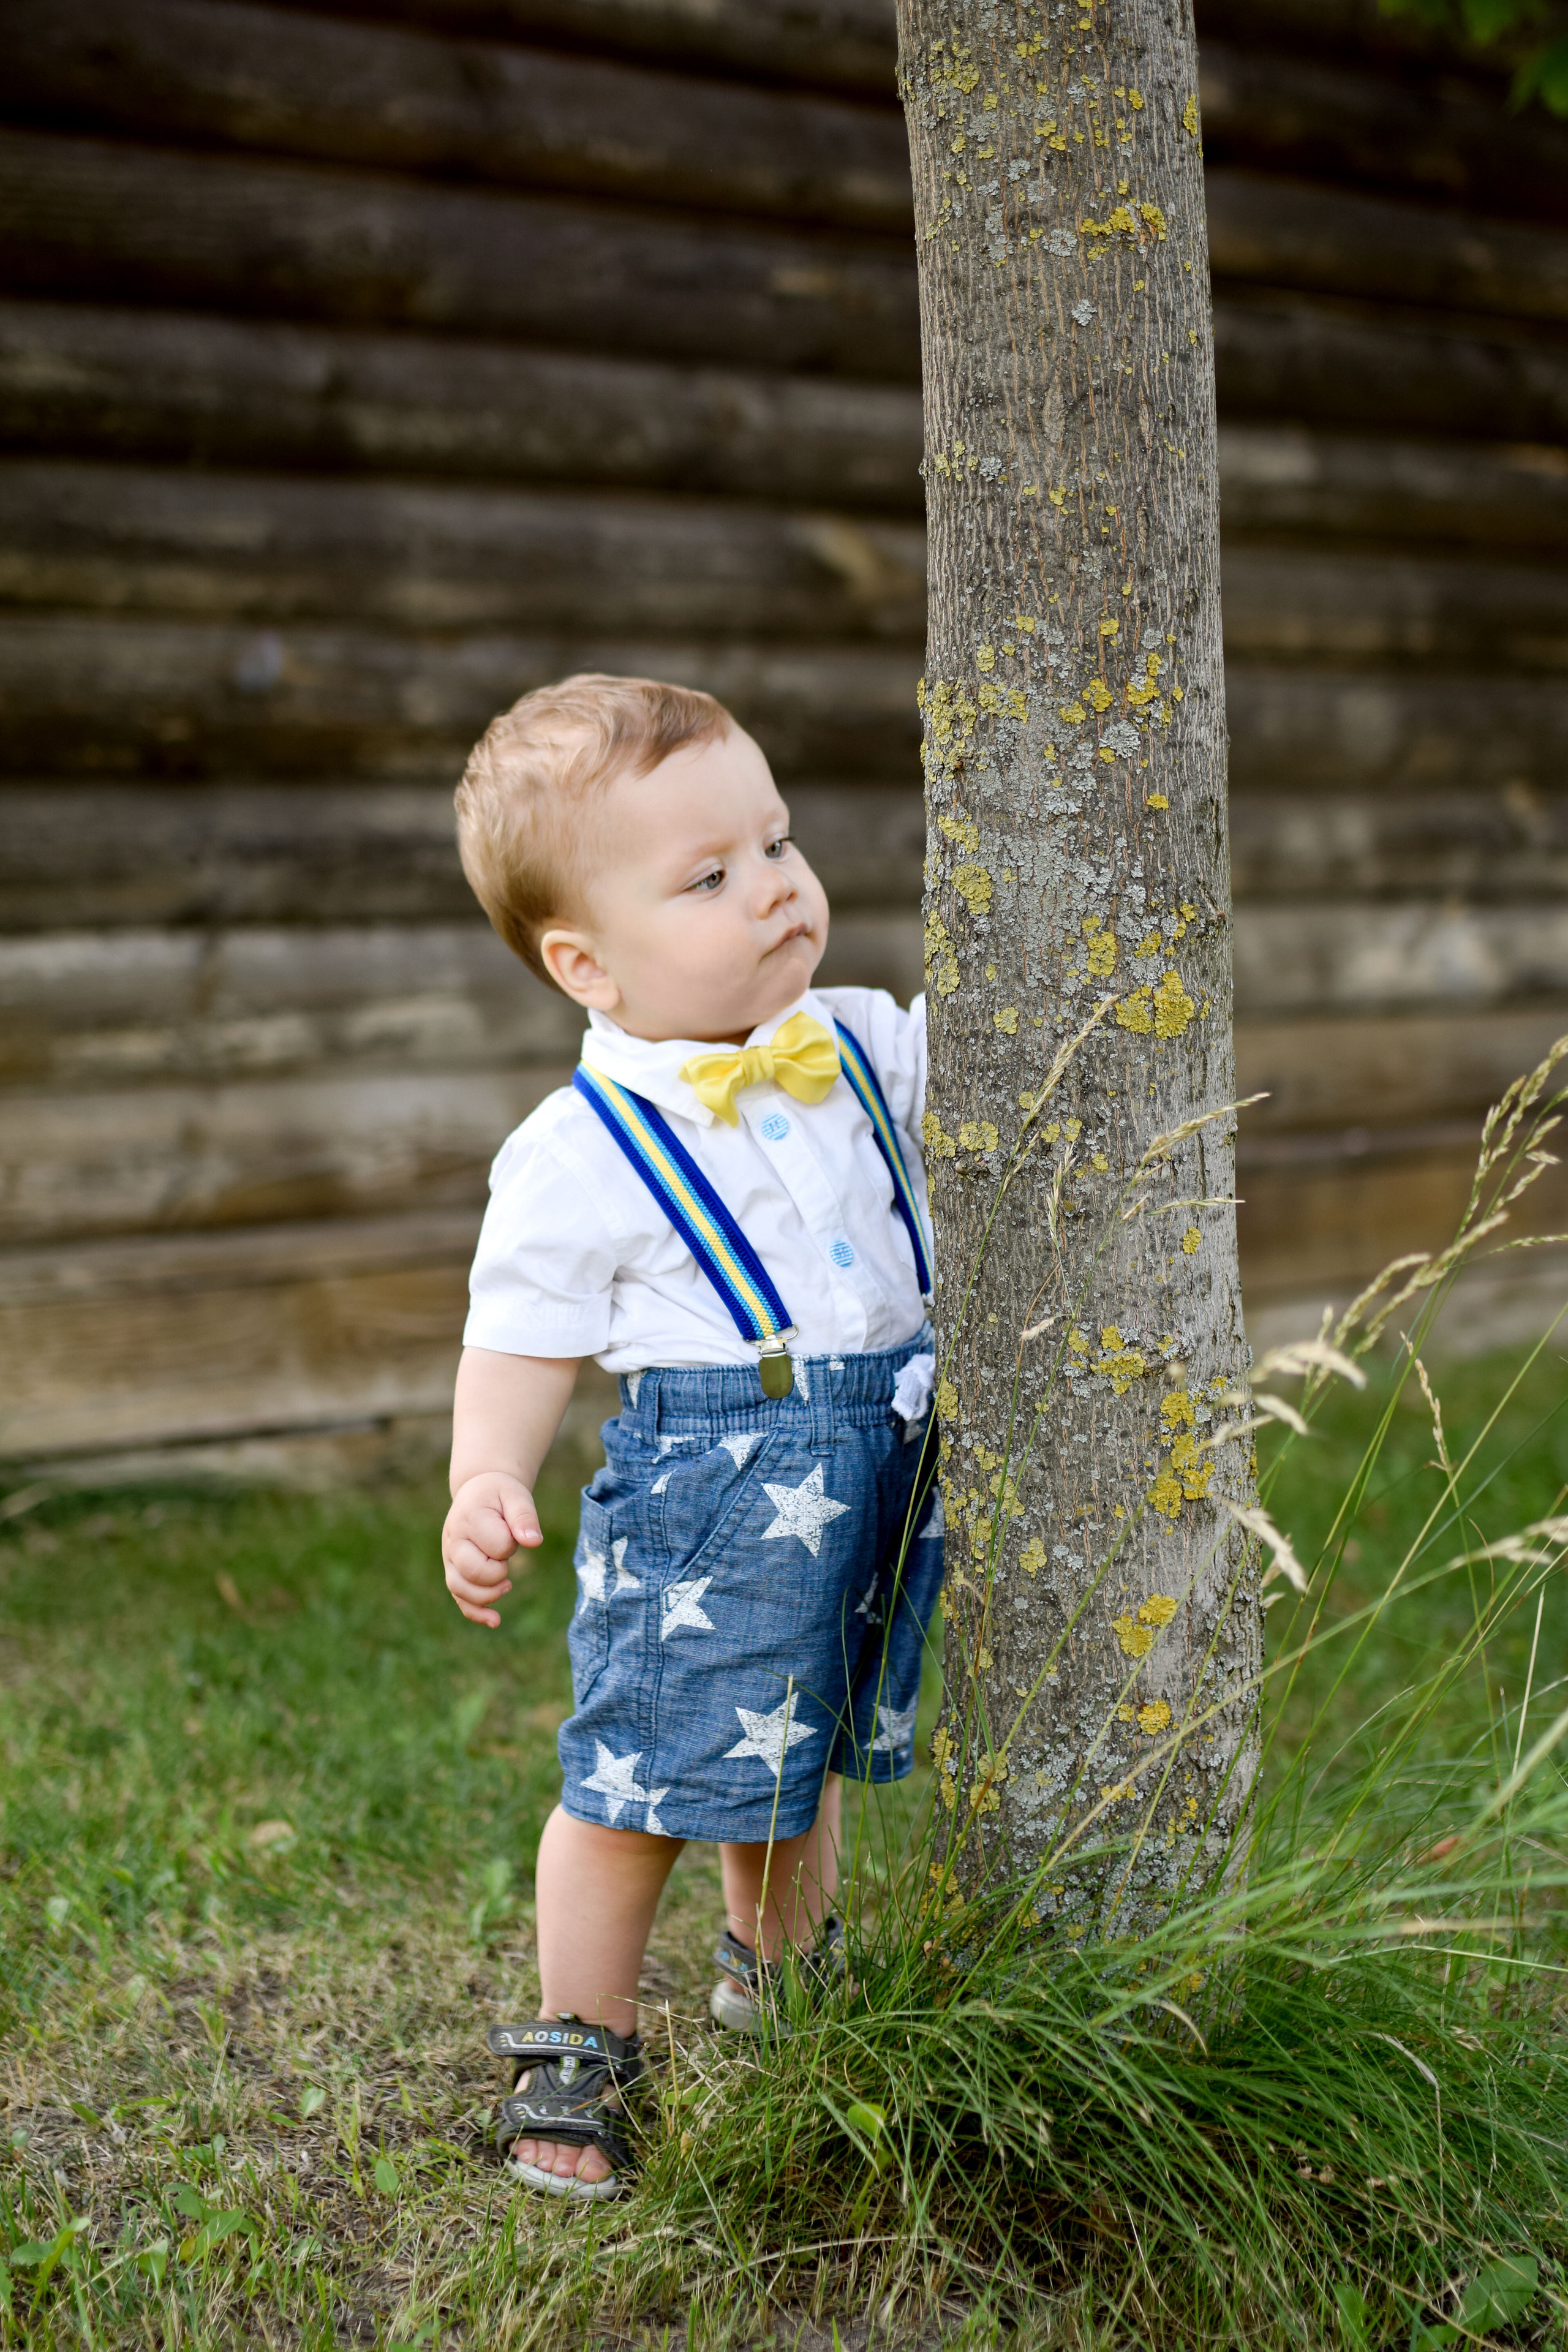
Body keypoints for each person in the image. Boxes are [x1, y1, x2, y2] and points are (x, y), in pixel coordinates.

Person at [441, 673, 943, 2202]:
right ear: (585, 964)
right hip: (713, 1491)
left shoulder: (861, 1041)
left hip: (881, 1457)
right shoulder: (577, 1148)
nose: (778, 889)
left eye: (777, 843)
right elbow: (518, 1331)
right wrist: (485, 1475)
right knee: (645, 1779)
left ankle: (773, 1963)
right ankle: (577, 2049)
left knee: (802, 1743)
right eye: (710, 877)